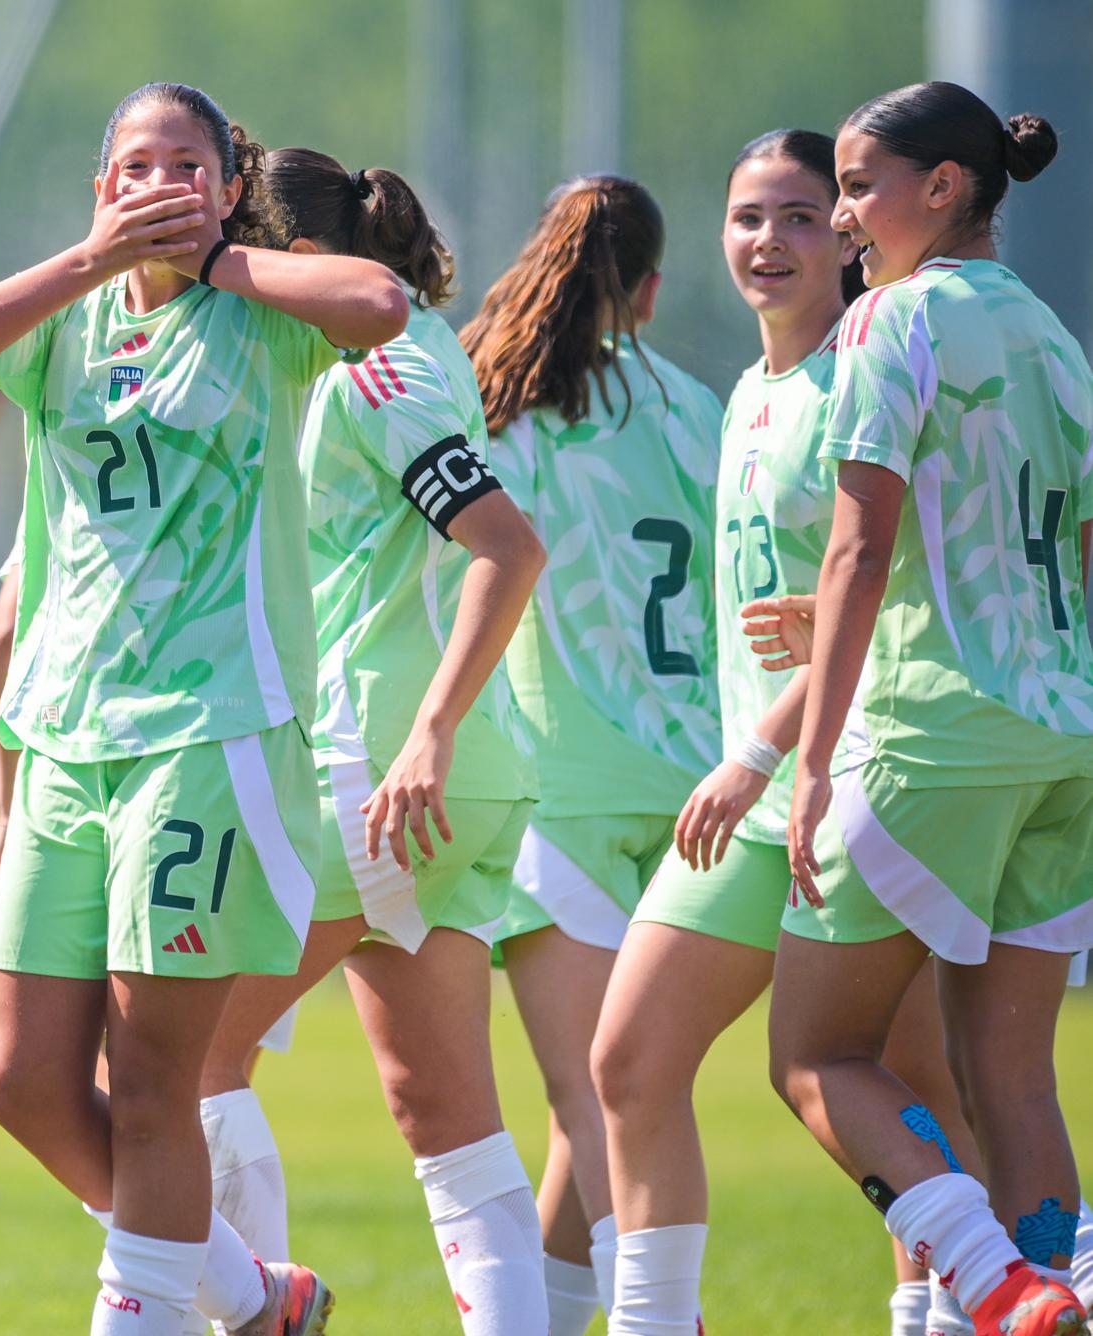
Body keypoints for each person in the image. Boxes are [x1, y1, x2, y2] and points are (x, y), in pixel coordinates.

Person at [0, 79, 408, 1334]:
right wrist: (87, 262)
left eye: (188, 166)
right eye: (136, 165)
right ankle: (248, 1292)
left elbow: (379, 304)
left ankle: (152, 1314)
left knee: (147, 1083)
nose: (158, 185)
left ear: (228, 187)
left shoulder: (260, 319)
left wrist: (229, 264)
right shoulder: (64, 318)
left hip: (207, 734)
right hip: (64, 740)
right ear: (101, 184)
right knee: (20, 1083)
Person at [584, 128, 989, 1336]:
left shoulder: (866, 369)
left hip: (857, 777)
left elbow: (903, 577)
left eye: (803, 216)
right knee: (632, 1059)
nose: (770, 240)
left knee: (912, 1084)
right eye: (749, 215)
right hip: (763, 793)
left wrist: (760, 747)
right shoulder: (748, 394)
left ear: (850, 234)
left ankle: (970, 1299)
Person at [191, 146, 552, 1335]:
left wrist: (425, 736)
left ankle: (259, 1310)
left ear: (288, 256)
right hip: (434, 786)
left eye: (227, 242)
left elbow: (506, 546)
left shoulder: (367, 367)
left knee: (162, 1075)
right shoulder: (412, 346)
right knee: (447, 1118)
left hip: (374, 769)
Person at [757, 82, 1091, 1334]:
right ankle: (1064, 1279)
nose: (841, 215)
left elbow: (856, 544)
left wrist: (810, 760)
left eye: (855, 186)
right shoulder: (1051, 333)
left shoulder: (890, 319)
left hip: (931, 739)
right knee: (1010, 1074)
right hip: (1064, 737)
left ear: (942, 187)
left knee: (813, 1056)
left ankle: (999, 1283)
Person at [459, 173, 726, 1316]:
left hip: (555, 786)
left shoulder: (498, 406)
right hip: (694, 791)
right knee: (614, 1107)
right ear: (652, 293)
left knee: (594, 1101)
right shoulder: (702, 406)